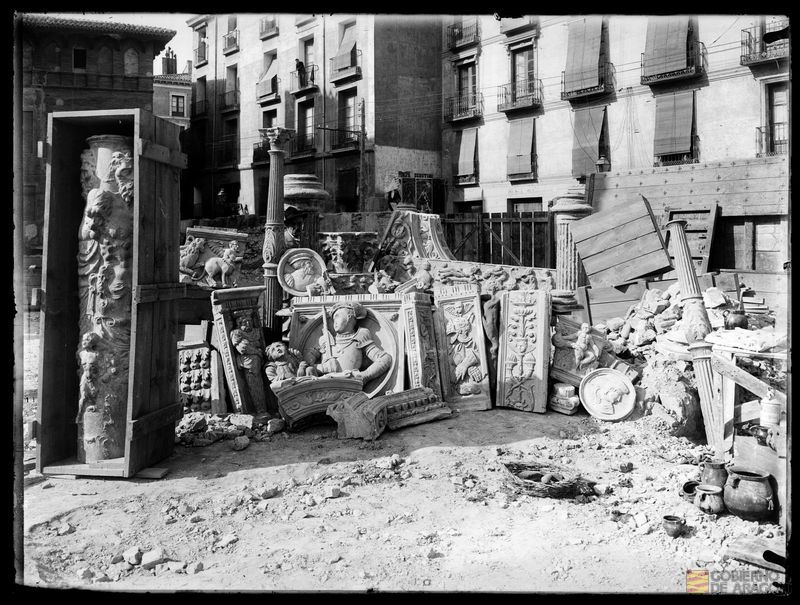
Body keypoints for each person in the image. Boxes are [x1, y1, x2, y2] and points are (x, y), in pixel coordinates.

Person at [310, 302, 391, 384]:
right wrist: (319, 366)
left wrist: (364, 375)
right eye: (334, 319)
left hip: (350, 386)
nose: (335, 322)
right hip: (324, 385)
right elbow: (310, 358)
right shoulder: (325, 340)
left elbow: (384, 359)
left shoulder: (360, 336)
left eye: (337, 317)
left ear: (349, 317)